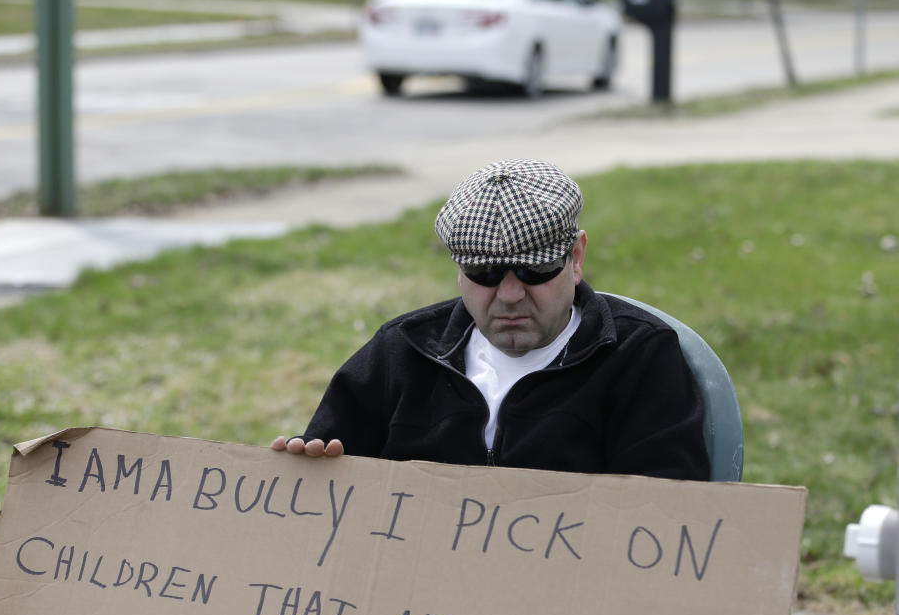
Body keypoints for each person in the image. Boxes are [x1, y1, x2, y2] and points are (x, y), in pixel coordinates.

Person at [272, 158, 709, 481]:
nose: (510, 294)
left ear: (575, 259)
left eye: (535, 271)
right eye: (485, 274)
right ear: (458, 271)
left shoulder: (639, 357)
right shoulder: (401, 353)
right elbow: (328, 474)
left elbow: (668, 519)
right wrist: (308, 469)